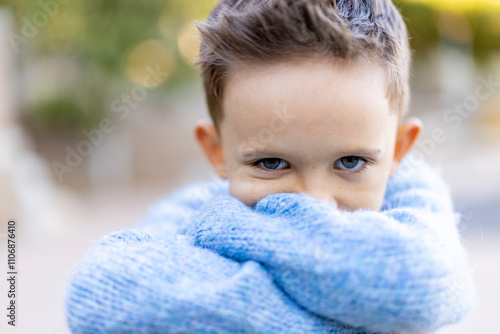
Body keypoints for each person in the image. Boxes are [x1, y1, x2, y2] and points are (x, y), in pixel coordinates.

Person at [65, 0, 475, 333]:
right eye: (272, 163)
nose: (315, 203)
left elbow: (420, 278)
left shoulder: (416, 201)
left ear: (399, 150)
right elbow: (100, 290)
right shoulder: (191, 208)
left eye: (350, 162)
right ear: (216, 151)